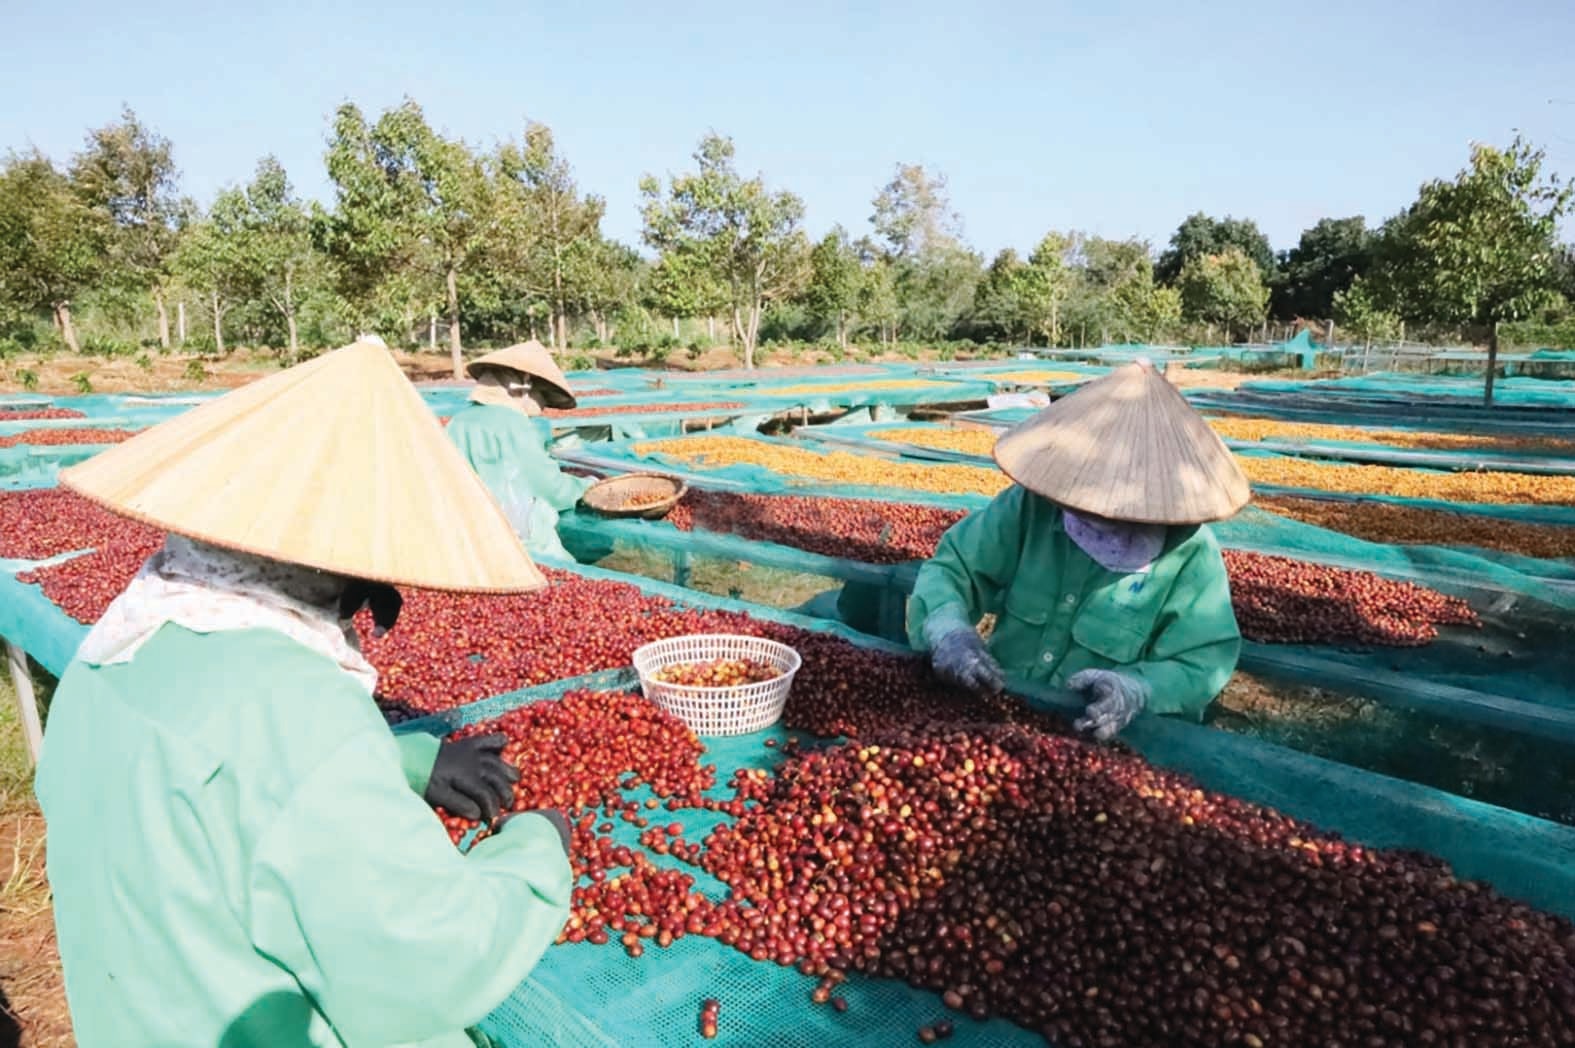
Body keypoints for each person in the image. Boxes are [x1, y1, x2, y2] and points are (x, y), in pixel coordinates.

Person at [35, 340, 574, 1048]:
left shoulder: (118, 647)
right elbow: (432, 960)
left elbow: (220, 785)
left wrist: (406, 762)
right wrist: (537, 852)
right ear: (343, 570)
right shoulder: (302, 712)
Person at [907, 359, 1250, 739]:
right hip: (1000, 715)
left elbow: (1201, 661)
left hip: (1107, 742)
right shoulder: (1030, 508)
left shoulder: (1188, 554)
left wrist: (1137, 689)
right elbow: (953, 568)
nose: (1098, 513)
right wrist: (947, 628)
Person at [445, 340, 607, 564]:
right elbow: (550, 488)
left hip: (463, 540)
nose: (543, 406)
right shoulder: (512, 424)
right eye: (542, 395)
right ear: (525, 384)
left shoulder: (458, 421)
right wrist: (590, 486)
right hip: (514, 544)